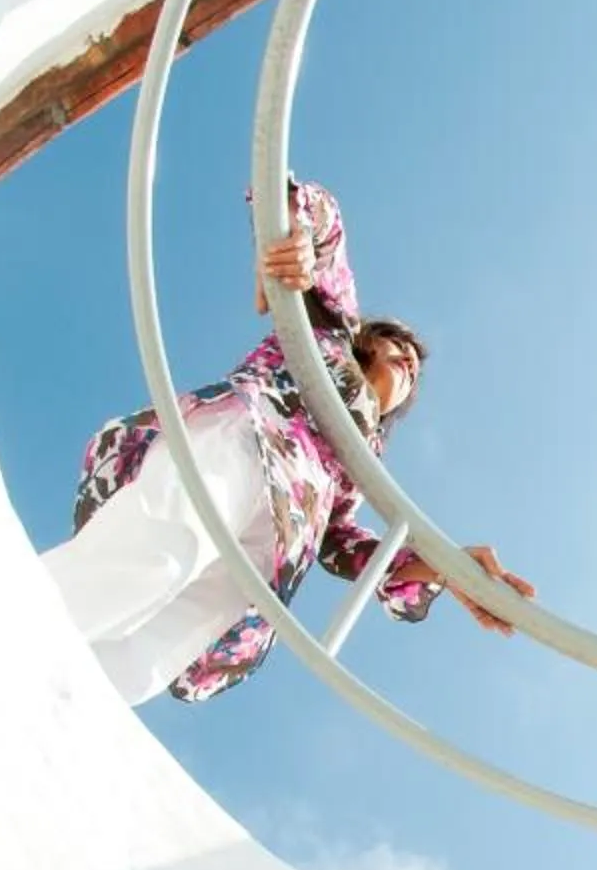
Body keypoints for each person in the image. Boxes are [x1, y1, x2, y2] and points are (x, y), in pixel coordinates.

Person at [42, 177, 533, 704]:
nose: (410, 360)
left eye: (414, 374)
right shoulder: (330, 327)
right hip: (250, 439)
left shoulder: (360, 463)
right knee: (153, 557)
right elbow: (320, 225)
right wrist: (293, 240)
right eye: (400, 345)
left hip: (274, 547)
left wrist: (451, 567)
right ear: (370, 338)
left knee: (145, 657)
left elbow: (348, 547)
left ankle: (47, 714)